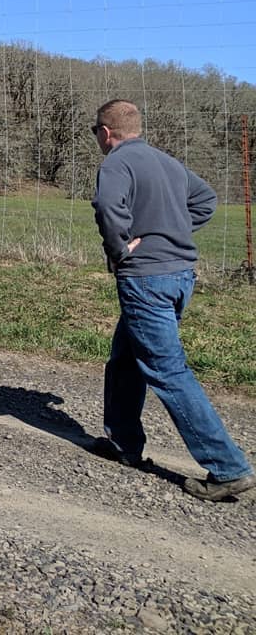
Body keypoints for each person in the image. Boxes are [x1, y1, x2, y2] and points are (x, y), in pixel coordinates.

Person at [90, 98, 254, 502]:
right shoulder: (166, 161)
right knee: (126, 357)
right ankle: (123, 442)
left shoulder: (115, 163)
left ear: (107, 133)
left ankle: (228, 468)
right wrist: (172, 230)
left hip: (146, 277)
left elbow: (108, 208)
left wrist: (120, 250)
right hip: (180, 276)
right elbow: (206, 201)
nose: (97, 139)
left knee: (167, 371)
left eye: (96, 132)